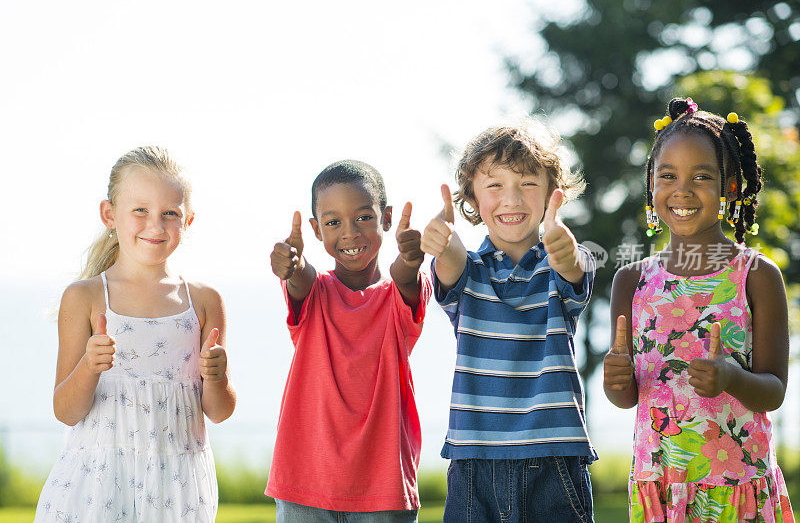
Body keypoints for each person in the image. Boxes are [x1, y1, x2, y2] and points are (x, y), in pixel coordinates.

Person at [603, 97, 795, 522]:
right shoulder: (631, 282)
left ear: (729, 186)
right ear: (651, 184)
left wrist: (732, 377)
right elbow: (626, 396)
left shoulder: (757, 275)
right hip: (659, 488)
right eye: (668, 175)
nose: (682, 190)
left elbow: (775, 389)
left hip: (738, 487)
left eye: (702, 176)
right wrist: (615, 381)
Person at [33, 146, 235, 522]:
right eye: (139, 210)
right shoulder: (85, 297)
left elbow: (219, 411)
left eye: (170, 213)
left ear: (188, 220)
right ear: (110, 214)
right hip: (96, 484)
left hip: (176, 488)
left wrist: (217, 377)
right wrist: (90, 367)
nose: (155, 225)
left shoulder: (205, 300)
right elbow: (65, 410)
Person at [421, 123, 597, 523]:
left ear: (556, 192)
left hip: (555, 459)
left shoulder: (564, 260)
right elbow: (449, 265)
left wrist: (563, 248)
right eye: (494, 185)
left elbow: (573, 266)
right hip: (474, 464)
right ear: (472, 197)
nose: (511, 198)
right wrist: (445, 245)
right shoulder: (468, 268)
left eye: (528, 183)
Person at [266, 159, 432, 522]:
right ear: (316, 229)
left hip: (384, 487)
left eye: (363, 218)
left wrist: (410, 258)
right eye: (333, 222)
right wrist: (292, 264)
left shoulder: (397, 297)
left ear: (386, 218)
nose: (350, 232)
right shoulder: (313, 291)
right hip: (303, 484)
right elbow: (301, 278)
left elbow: (403, 277)